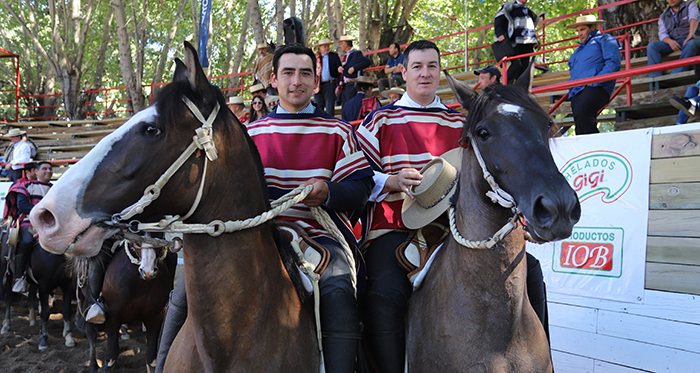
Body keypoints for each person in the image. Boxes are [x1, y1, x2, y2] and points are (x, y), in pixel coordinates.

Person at [155, 43, 374, 373]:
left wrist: (327, 191)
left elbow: (361, 187)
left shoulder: (339, 130)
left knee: (338, 287)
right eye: (288, 73)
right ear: (274, 79)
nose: (296, 81)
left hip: (318, 237)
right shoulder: (249, 134)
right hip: (252, 237)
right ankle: (161, 365)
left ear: (317, 83)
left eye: (305, 74)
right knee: (186, 289)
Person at [354, 40, 467, 373]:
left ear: (440, 71)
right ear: (403, 72)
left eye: (432, 66)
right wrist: (389, 181)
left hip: (454, 228)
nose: (425, 73)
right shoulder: (378, 121)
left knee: (528, 272)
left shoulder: (459, 124)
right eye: (417, 66)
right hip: (393, 228)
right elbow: (356, 176)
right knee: (385, 295)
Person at [2, 161, 52, 293]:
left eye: (50, 169)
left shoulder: (55, 188)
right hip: (29, 222)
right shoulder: (25, 186)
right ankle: (19, 277)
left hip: (51, 223)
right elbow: (23, 206)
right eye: (44, 169)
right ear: (36, 172)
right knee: (27, 241)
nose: (49, 171)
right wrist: (43, 212)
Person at [566, 15, 621, 135]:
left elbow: (613, 62)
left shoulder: (605, 39)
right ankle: (589, 150)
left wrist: (596, 81)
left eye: (582, 29)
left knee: (583, 114)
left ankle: (594, 148)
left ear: (592, 27)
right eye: (578, 30)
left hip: (596, 87)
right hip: (577, 90)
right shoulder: (578, 51)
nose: (579, 34)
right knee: (581, 121)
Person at [647, 0, 700, 77]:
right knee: (652, 46)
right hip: (675, 41)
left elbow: (694, 17)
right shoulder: (663, 16)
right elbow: (662, 34)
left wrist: (691, 33)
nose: (671, 0)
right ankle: (654, 77)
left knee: (692, 43)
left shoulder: (690, 4)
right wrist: (670, 41)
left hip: (693, 38)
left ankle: (676, 75)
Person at [492, 0, 539, 85]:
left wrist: (535, 42)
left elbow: (530, 29)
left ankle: (519, 87)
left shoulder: (529, 11)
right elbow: (498, 20)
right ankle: (506, 86)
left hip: (526, 43)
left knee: (524, 66)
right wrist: (500, 34)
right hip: (514, 42)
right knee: (517, 64)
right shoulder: (509, 6)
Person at [337, 35, 371, 106]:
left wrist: (354, 68)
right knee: (345, 108)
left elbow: (367, 62)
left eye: (341, 44)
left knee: (351, 106)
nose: (340, 46)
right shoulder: (347, 55)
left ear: (345, 44)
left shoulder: (356, 53)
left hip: (352, 84)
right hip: (345, 85)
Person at [314, 38, 342, 116]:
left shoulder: (334, 56)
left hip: (330, 84)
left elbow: (339, 70)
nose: (327, 48)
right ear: (320, 47)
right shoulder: (316, 58)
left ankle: (330, 126)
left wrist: (339, 84)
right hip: (318, 85)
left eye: (327, 46)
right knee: (318, 108)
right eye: (324, 46)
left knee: (330, 108)